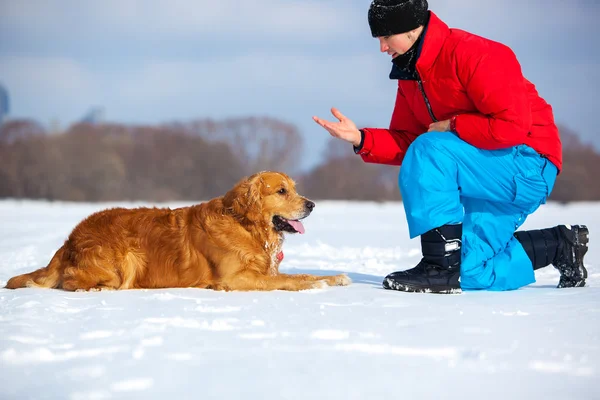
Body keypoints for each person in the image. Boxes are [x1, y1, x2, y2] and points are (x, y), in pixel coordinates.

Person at [312, 0, 589, 294]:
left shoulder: (477, 54)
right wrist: (361, 138)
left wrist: (453, 125)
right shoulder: (411, 76)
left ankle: (439, 267)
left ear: (410, 29)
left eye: (385, 37)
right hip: (482, 170)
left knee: (432, 149)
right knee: (469, 271)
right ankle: (560, 246)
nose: (382, 48)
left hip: (528, 163)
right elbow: (412, 142)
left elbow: (512, 127)